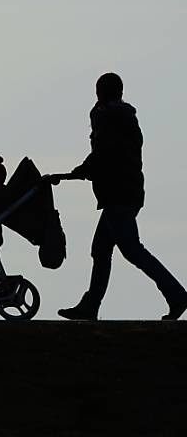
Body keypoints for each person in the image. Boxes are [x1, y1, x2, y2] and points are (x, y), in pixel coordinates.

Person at [46, 73, 187, 321]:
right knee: (101, 250)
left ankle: (176, 295)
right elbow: (111, 152)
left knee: (131, 249)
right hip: (128, 191)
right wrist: (84, 170)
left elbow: (105, 152)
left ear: (100, 91)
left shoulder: (106, 116)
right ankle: (90, 305)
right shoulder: (126, 117)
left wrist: (82, 170)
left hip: (117, 194)